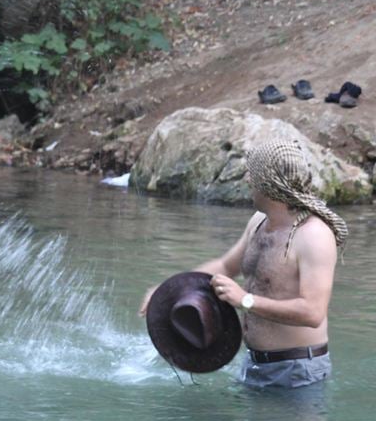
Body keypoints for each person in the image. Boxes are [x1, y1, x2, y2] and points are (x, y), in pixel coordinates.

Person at [140, 139, 347, 388]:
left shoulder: (313, 235)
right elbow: (227, 266)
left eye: (253, 173)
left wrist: (244, 300)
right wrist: (167, 292)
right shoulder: (259, 221)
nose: (248, 179)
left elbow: (313, 312)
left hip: (298, 371)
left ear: (269, 182)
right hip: (253, 364)